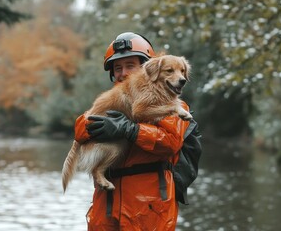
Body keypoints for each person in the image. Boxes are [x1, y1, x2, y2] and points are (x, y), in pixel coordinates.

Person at [74, 32, 202, 230]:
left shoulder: (174, 105)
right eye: (118, 68)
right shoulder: (113, 100)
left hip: (148, 210)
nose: (123, 72)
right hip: (105, 209)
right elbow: (80, 129)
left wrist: (130, 129)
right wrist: (103, 126)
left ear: (147, 68)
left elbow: (169, 143)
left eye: (130, 65)